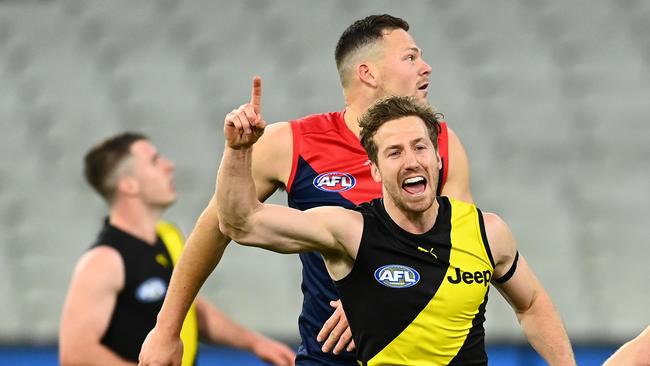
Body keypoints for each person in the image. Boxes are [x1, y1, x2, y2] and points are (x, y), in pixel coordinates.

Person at [139, 14, 472, 365]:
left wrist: (379, 295)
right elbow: (217, 226)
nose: (427, 67)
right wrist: (166, 329)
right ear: (367, 73)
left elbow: (463, 250)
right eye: (411, 57)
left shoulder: (442, 146)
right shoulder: (292, 143)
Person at [216, 94, 576, 365]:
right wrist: (238, 152)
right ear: (374, 170)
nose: (411, 161)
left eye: (420, 147)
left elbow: (531, 304)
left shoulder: (487, 231)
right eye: (394, 153)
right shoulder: (350, 231)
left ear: (437, 158)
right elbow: (241, 223)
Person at [59, 132, 296, 366]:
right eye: (154, 161)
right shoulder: (104, 259)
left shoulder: (169, 236)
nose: (169, 166)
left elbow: (189, 310)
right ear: (128, 184)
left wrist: (255, 343)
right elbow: (76, 354)